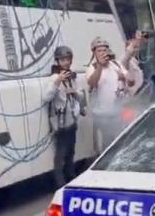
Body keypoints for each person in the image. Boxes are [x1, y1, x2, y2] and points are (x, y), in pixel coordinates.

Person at [45, 46, 85, 188]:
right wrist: (57, 82)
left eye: (67, 59)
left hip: (72, 120)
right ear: (57, 61)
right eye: (62, 59)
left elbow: (81, 95)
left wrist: (74, 92)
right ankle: (60, 183)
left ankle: (71, 177)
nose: (66, 62)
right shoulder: (54, 78)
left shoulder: (73, 77)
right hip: (61, 122)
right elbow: (46, 97)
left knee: (71, 151)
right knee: (60, 154)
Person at [86, 37, 135, 153]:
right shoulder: (92, 68)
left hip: (120, 112)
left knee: (123, 144)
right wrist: (99, 66)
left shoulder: (116, 64)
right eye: (99, 51)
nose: (103, 53)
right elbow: (92, 82)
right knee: (108, 147)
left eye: (105, 50)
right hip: (104, 115)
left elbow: (132, 81)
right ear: (94, 53)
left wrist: (125, 77)